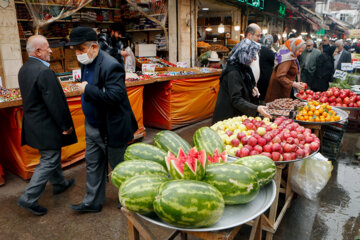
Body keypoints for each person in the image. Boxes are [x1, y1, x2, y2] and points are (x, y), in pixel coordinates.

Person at [67, 27, 138, 213]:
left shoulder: (110, 65)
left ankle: (130, 199)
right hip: (93, 124)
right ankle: (92, 202)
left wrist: (87, 90)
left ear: (93, 47)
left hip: (112, 126)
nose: (78, 54)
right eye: (76, 50)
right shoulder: (86, 62)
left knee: (119, 167)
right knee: (93, 164)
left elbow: (115, 96)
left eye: (81, 50)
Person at [17, 35, 77, 216]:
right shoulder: (44, 71)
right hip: (45, 124)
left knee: (51, 154)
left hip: (34, 123)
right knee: (50, 158)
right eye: (47, 47)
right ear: (37, 51)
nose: (51, 50)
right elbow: (55, 102)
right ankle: (28, 198)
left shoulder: (24, 69)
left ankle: (59, 184)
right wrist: (65, 124)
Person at [212, 39, 271, 123]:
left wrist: (252, 87)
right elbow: (236, 99)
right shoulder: (233, 72)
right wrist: (257, 108)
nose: (254, 59)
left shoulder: (244, 67)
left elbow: (248, 81)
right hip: (228, 117)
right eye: (252, 56)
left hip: (238, 114)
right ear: (243, 55)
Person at [265, 38, 306, 103]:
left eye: (302, 52)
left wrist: (295, 83)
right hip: (278, 91)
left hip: (283, 89)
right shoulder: (287, 59)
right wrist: (293, 84)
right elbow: (280, 76)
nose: (300, 53)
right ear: (294, 48)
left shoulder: (292, 56)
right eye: (299, 51)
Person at [258, 34, 275, 101]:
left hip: (258, 76)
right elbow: (277, 59)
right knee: (264, 95)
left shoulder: (259, 49)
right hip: (266, 77)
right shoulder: (268, 52)